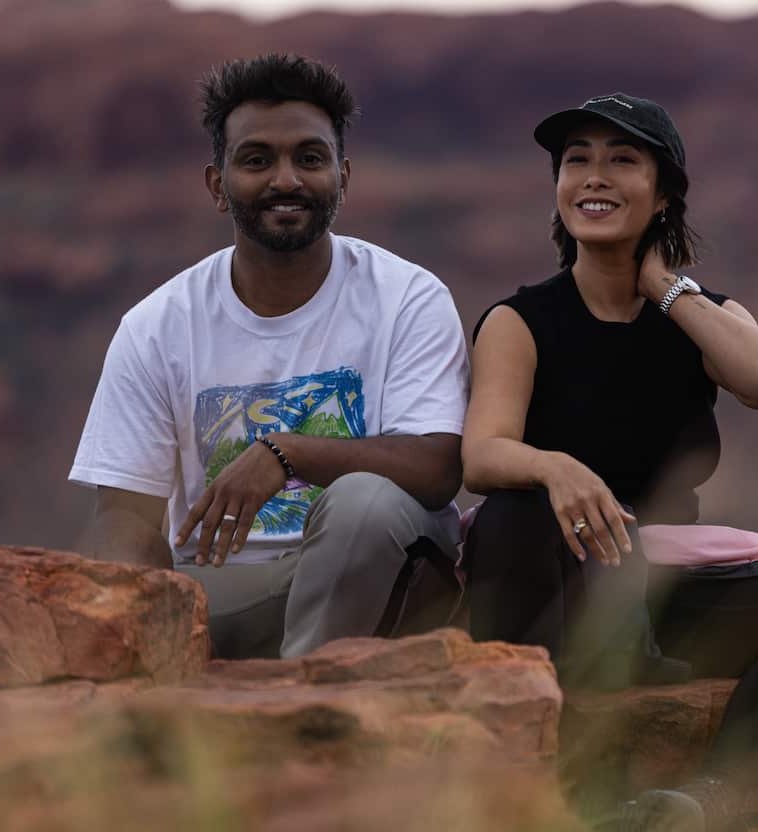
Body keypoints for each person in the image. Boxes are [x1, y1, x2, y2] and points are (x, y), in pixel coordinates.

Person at [459, 93, 758, 832]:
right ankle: (552, 785)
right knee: (512, 512)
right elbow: (482, 454)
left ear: (663, 195)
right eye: (577, 161)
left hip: (663, 581)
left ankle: (702, 801)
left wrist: (664, 288)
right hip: (563, 577)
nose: (595, 176)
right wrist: (554, 467)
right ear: (558, 188)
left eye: (622, 160)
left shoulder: (698, 315)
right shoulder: (521, 321)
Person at [69, 54, 469, 660]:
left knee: (365, 503)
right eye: (257, 160)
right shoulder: (157, 327)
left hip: (384, 576)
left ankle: (305, 694)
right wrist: (140, 631)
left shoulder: (407, 298)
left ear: (343, 176)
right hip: (229, 588)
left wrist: (288, 452)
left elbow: (438, 467)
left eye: (310, 158)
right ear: (217, 184)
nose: (286, 180)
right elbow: (126, 515)